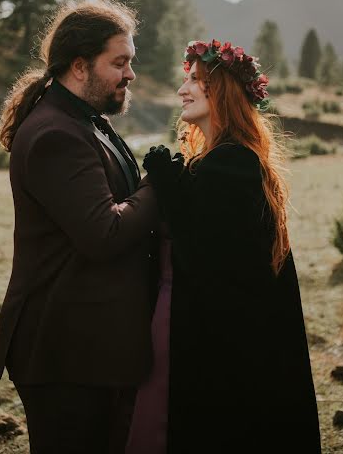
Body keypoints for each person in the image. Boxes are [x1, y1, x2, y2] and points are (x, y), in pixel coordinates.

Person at [130, 39, 322, 453]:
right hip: (226, 341)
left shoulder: (231, 164)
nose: (183, 90)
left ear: (223, 92)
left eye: (196, 81)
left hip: (230, 352)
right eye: (185, 80)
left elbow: (204, 255)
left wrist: (167, 182)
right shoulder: (218, 159)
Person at [0, 0, 159, 454]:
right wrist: (161, 186)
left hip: (90, 341)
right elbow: (102, 233)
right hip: (62, 349)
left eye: (131, 62)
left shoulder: (89, 121)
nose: (130, 75)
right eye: (119, 62)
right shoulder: (55, 134)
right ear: (80, 66)